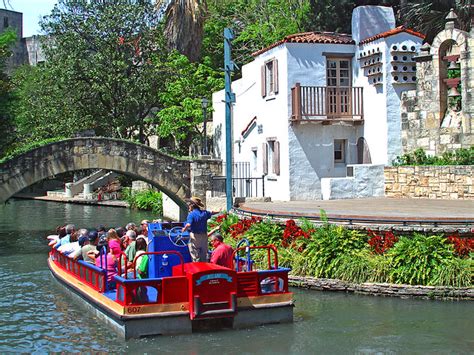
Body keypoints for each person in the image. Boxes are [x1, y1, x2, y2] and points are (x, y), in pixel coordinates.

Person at [181, 196, 218, 262]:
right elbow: (212, 212)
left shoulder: (191, 215)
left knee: (195, 256)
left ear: (192, 205)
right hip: (204, 237)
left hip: (195, 237)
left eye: (189, 204)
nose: (188, 206)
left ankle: (197, 268)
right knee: (203, 256)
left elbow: (188, 224)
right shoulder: (205, 213)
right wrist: (219, 211)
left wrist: (184, 229)